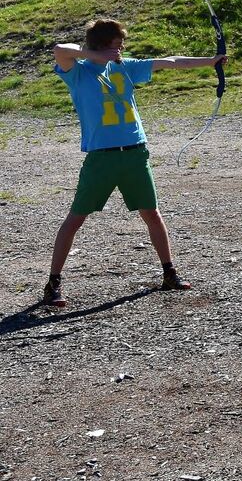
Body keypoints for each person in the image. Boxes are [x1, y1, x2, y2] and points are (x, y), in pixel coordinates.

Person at [43, 18, 226, 310]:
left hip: (134, 154)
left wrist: (211, 61)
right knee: (76, 219)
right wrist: (95, 56)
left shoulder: (125, 66)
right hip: (101, 158)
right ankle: (53, 283)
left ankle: (169, 273)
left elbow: (170, 61)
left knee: (151, 213)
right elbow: (60, 49)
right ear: (102, 46)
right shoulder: (77, 72)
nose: (121, 49)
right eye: (117, 44)